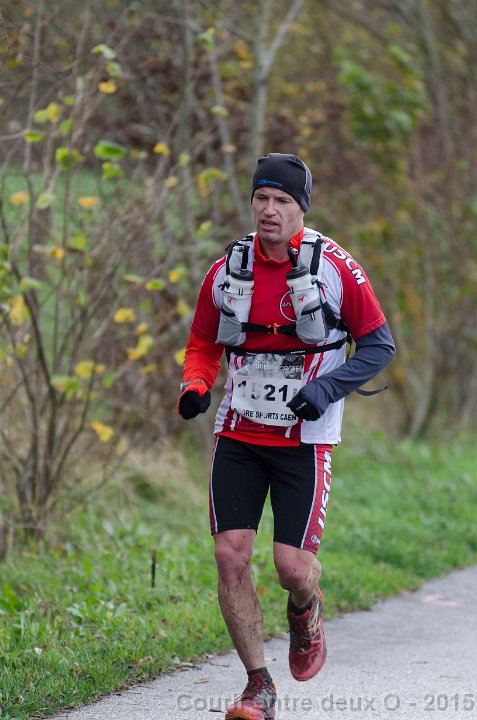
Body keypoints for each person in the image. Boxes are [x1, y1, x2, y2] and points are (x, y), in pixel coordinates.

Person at [178, 153, 395, 720]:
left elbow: (379, 346)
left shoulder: (335, 268)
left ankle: (305, 605)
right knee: (230, 556)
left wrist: (325, 390)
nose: (269, 210)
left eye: (282, 201)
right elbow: (203, 343)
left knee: (292, 568)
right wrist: (196, 385)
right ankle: (258, 685)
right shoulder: (227, 270)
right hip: (239, 432)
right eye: (262, 198)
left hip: (306, 437)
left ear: (302, 209)